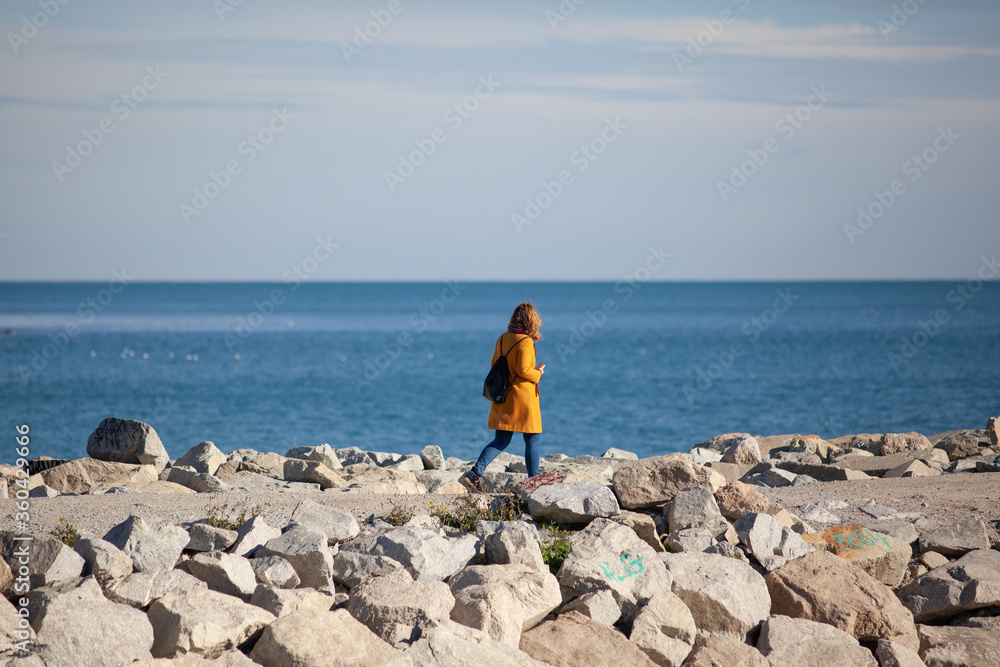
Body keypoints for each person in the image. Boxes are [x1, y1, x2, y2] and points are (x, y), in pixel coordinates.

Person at [460, 302, 545, 492]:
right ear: (532, 321)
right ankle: (534, 483)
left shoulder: (502, 338)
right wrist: (538, 373)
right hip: (523, 398)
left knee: (501, 440)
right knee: (532, 439)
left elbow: (494, 364)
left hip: (504, 396)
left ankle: (474, 474)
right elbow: (523, 370)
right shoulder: (525, 342)